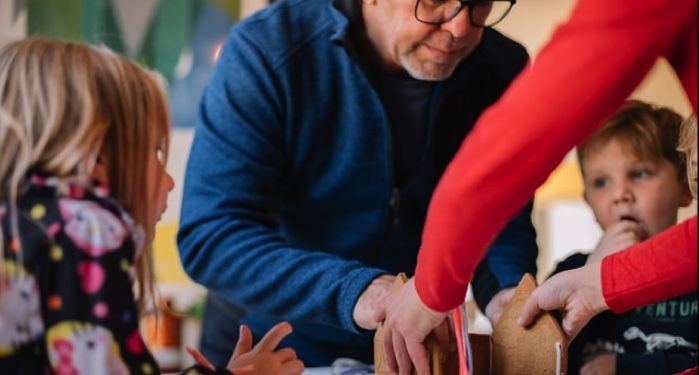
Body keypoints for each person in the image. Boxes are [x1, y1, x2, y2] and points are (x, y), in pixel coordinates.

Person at [177, 0, 539, 368]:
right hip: (273, 353)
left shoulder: (502, 68)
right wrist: (361, 291)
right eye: (433, 1)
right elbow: (212, 235)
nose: (461, 28)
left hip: (413, 358)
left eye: (480, 3)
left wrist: (509, 293)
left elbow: (500, 217)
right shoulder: (267, 51)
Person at [377, 0, 697, 373]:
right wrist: (604, 278)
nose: (460, 27)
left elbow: (512, 150)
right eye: (600, 181)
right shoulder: (576, 270)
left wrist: (431, 288)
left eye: (481, 4)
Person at [0, 37, 303, 375]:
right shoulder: (84, 231)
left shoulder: (21, 224)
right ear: (96, 153)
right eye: (156, 152)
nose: (170, 181)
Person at [548, 101, 696, 374]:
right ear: (588, 201)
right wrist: (593, 270)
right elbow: (543, 358)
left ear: (685, 187)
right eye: (601, 182)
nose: (620, 194)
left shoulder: (693, 273)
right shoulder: (569, 273)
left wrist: (627, 368)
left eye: (639, 174)